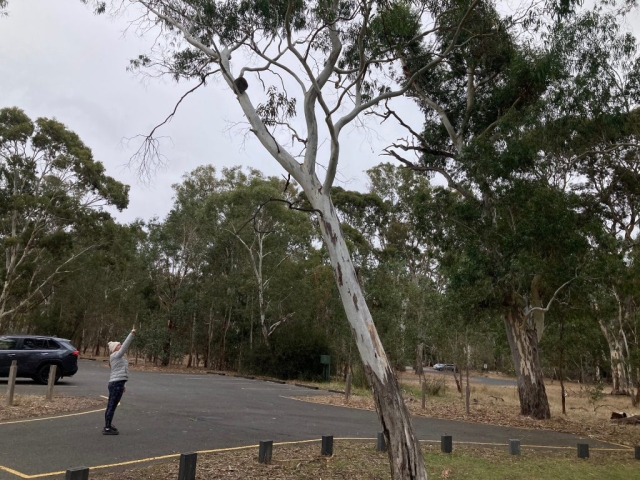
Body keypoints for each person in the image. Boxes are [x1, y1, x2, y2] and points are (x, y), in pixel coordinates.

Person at [103, 328, 135, 435]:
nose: (120, 345)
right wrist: (131, 334)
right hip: (116, 384)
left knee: (112, 405)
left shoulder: (119, 357)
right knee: (112, 405)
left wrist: (124, 384)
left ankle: (108, 423)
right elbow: (125, 348)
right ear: (114, 349)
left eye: (120, 344)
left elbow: (121, 372)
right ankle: (107, 427)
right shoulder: (115, 355)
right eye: (118, 345)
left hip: (118, 383)